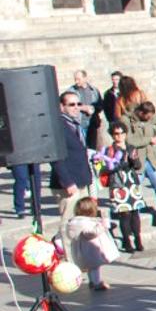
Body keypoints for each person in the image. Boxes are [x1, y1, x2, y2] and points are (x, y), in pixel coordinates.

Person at [52, 91, 93, 253]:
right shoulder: (59, 126)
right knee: (68, 225)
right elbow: (56, 158)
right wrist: (67, 182)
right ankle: (69, 262)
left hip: (81, 180)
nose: (76, 108)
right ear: (62, 107)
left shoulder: (75, 124)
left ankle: (82, 261)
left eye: (78, 104)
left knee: (82, 224)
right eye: (71, 105)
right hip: (68, 184)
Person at [96, 122, 147, 252]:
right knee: (124, 214)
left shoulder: (131, 147)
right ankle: (127, 241)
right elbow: (102, 168)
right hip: (118, 183)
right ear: (112, 135)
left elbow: (138, 166)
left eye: (122, 133)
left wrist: (133, 160)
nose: (119, 136)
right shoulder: (109, 150)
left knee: (135, 212)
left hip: (131, 182)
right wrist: (115, 165)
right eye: (116, 134)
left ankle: (138, 239)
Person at [64, 195, 116, 292]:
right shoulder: (85, 223)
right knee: (95, 268)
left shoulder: (74, 222)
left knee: (91, 268)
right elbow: (91, 233)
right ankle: (97, 283)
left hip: (84, 252)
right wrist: (103, 224)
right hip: (92, 251)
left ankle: (93, 281)